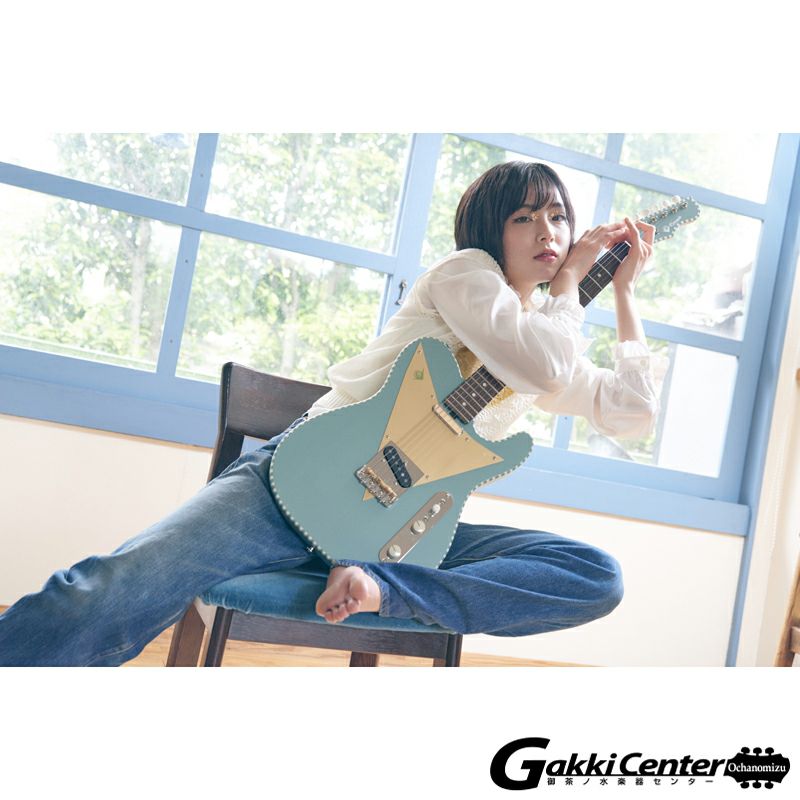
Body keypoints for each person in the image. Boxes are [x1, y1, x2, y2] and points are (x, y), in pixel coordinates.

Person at [0, 161, 658, 666]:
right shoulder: (466, 275)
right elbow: (543, 363)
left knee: (595, 575)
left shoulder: (548, 335)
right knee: (110, 588)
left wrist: (624, 293)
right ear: (492, 229)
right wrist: (569, 284)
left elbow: (629, 413)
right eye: (526, 217)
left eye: (559, 218)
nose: (548, 232)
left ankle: (381, 588)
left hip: (398, 532)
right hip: (297, 487)